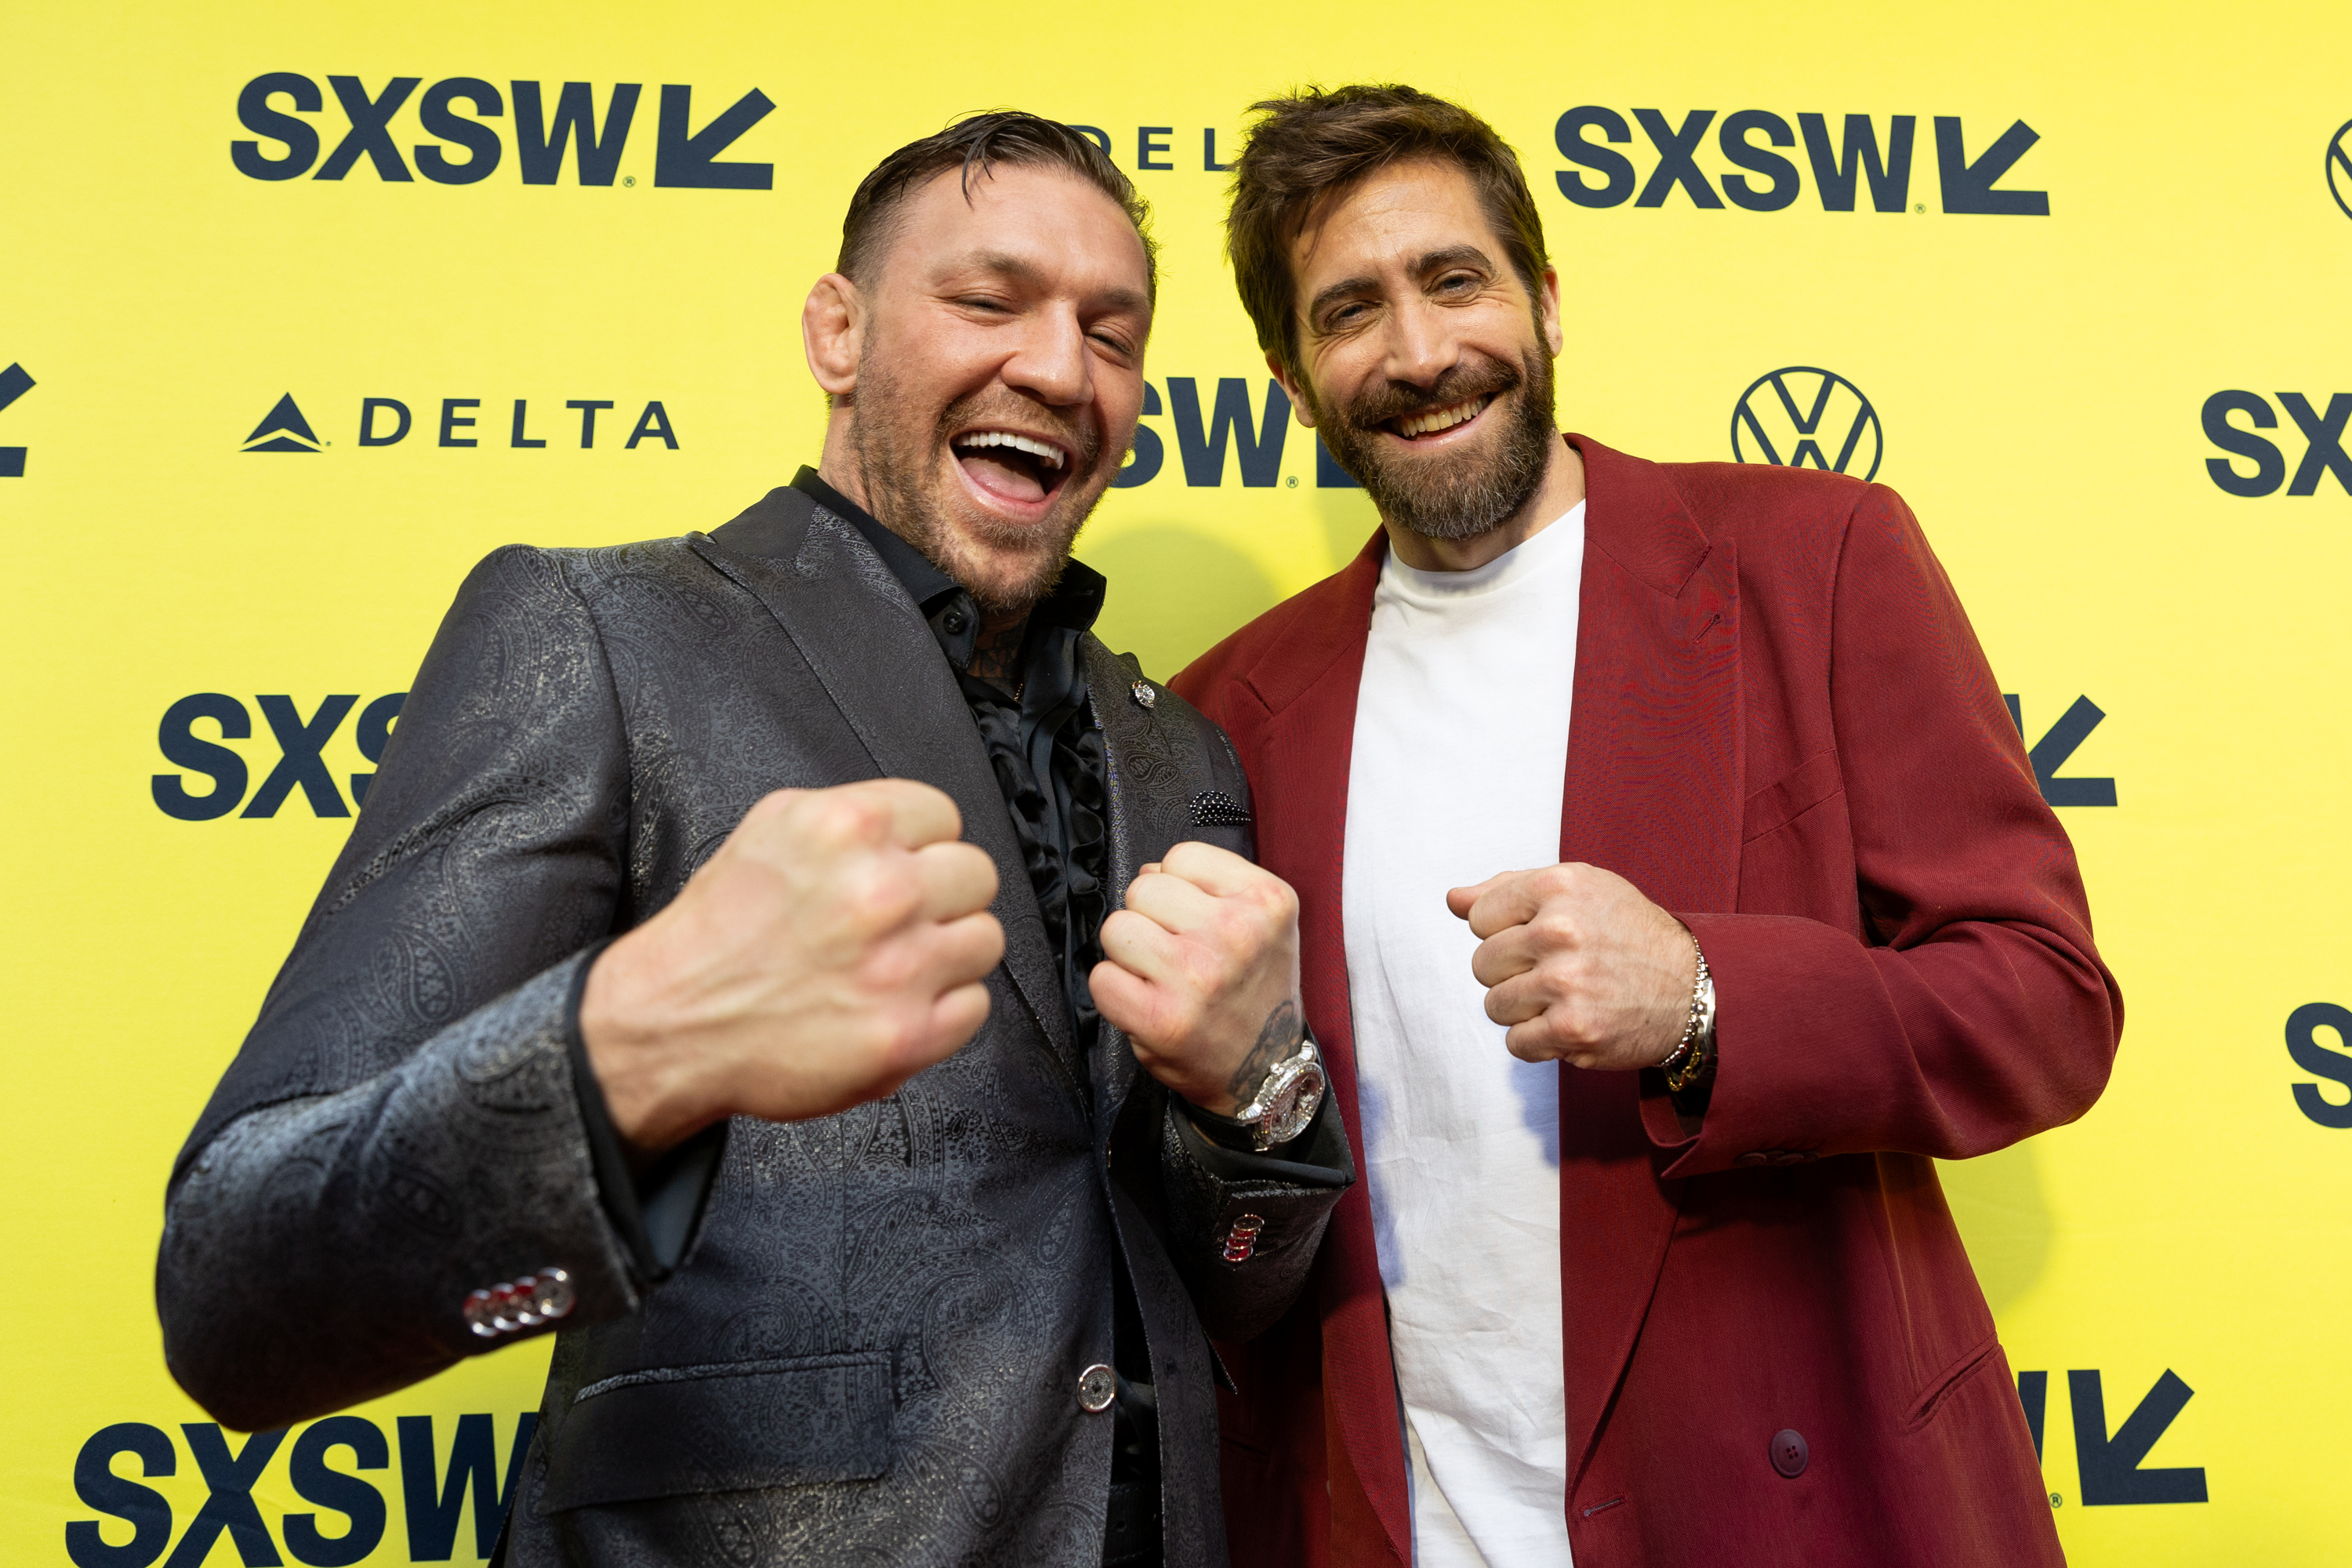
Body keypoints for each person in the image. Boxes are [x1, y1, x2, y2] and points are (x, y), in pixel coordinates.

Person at [156, 111, 1352, 1568]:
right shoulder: (601, 636)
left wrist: (1259, 1099)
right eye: (988, 300)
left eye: (1113, 332)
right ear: (836, 334)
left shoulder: (1176, 752)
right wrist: (643, 1046)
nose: (1057, 367)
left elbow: (1232, 1296)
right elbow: (238, 1294)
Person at [1174, 85, 2121, 1568]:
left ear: (1547, 303)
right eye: (1350, 310)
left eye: (1456, 280)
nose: (1420, 354)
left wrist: (1700, 999)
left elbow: (2048, 1010)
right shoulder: (1224, 711)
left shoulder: (1815, 563)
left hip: (1787, 1512)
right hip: (1400, 1525)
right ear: (1293, 380)